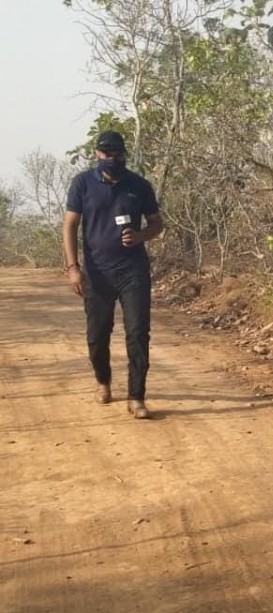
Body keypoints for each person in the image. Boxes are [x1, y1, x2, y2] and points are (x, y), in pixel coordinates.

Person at [62, 131, 164, 419]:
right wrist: (73, 268)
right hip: (97, 273)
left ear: (124, 154)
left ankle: (136, 397)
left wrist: (141, 235)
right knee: (97, 334)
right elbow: (69, 226)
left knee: (137, 333)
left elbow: (157, 224)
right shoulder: (82, 184)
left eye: (117, 154)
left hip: (133, 271)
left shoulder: (139, 186)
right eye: (107, 154)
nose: (112, 159)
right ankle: (103, 381)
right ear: (97, 154)